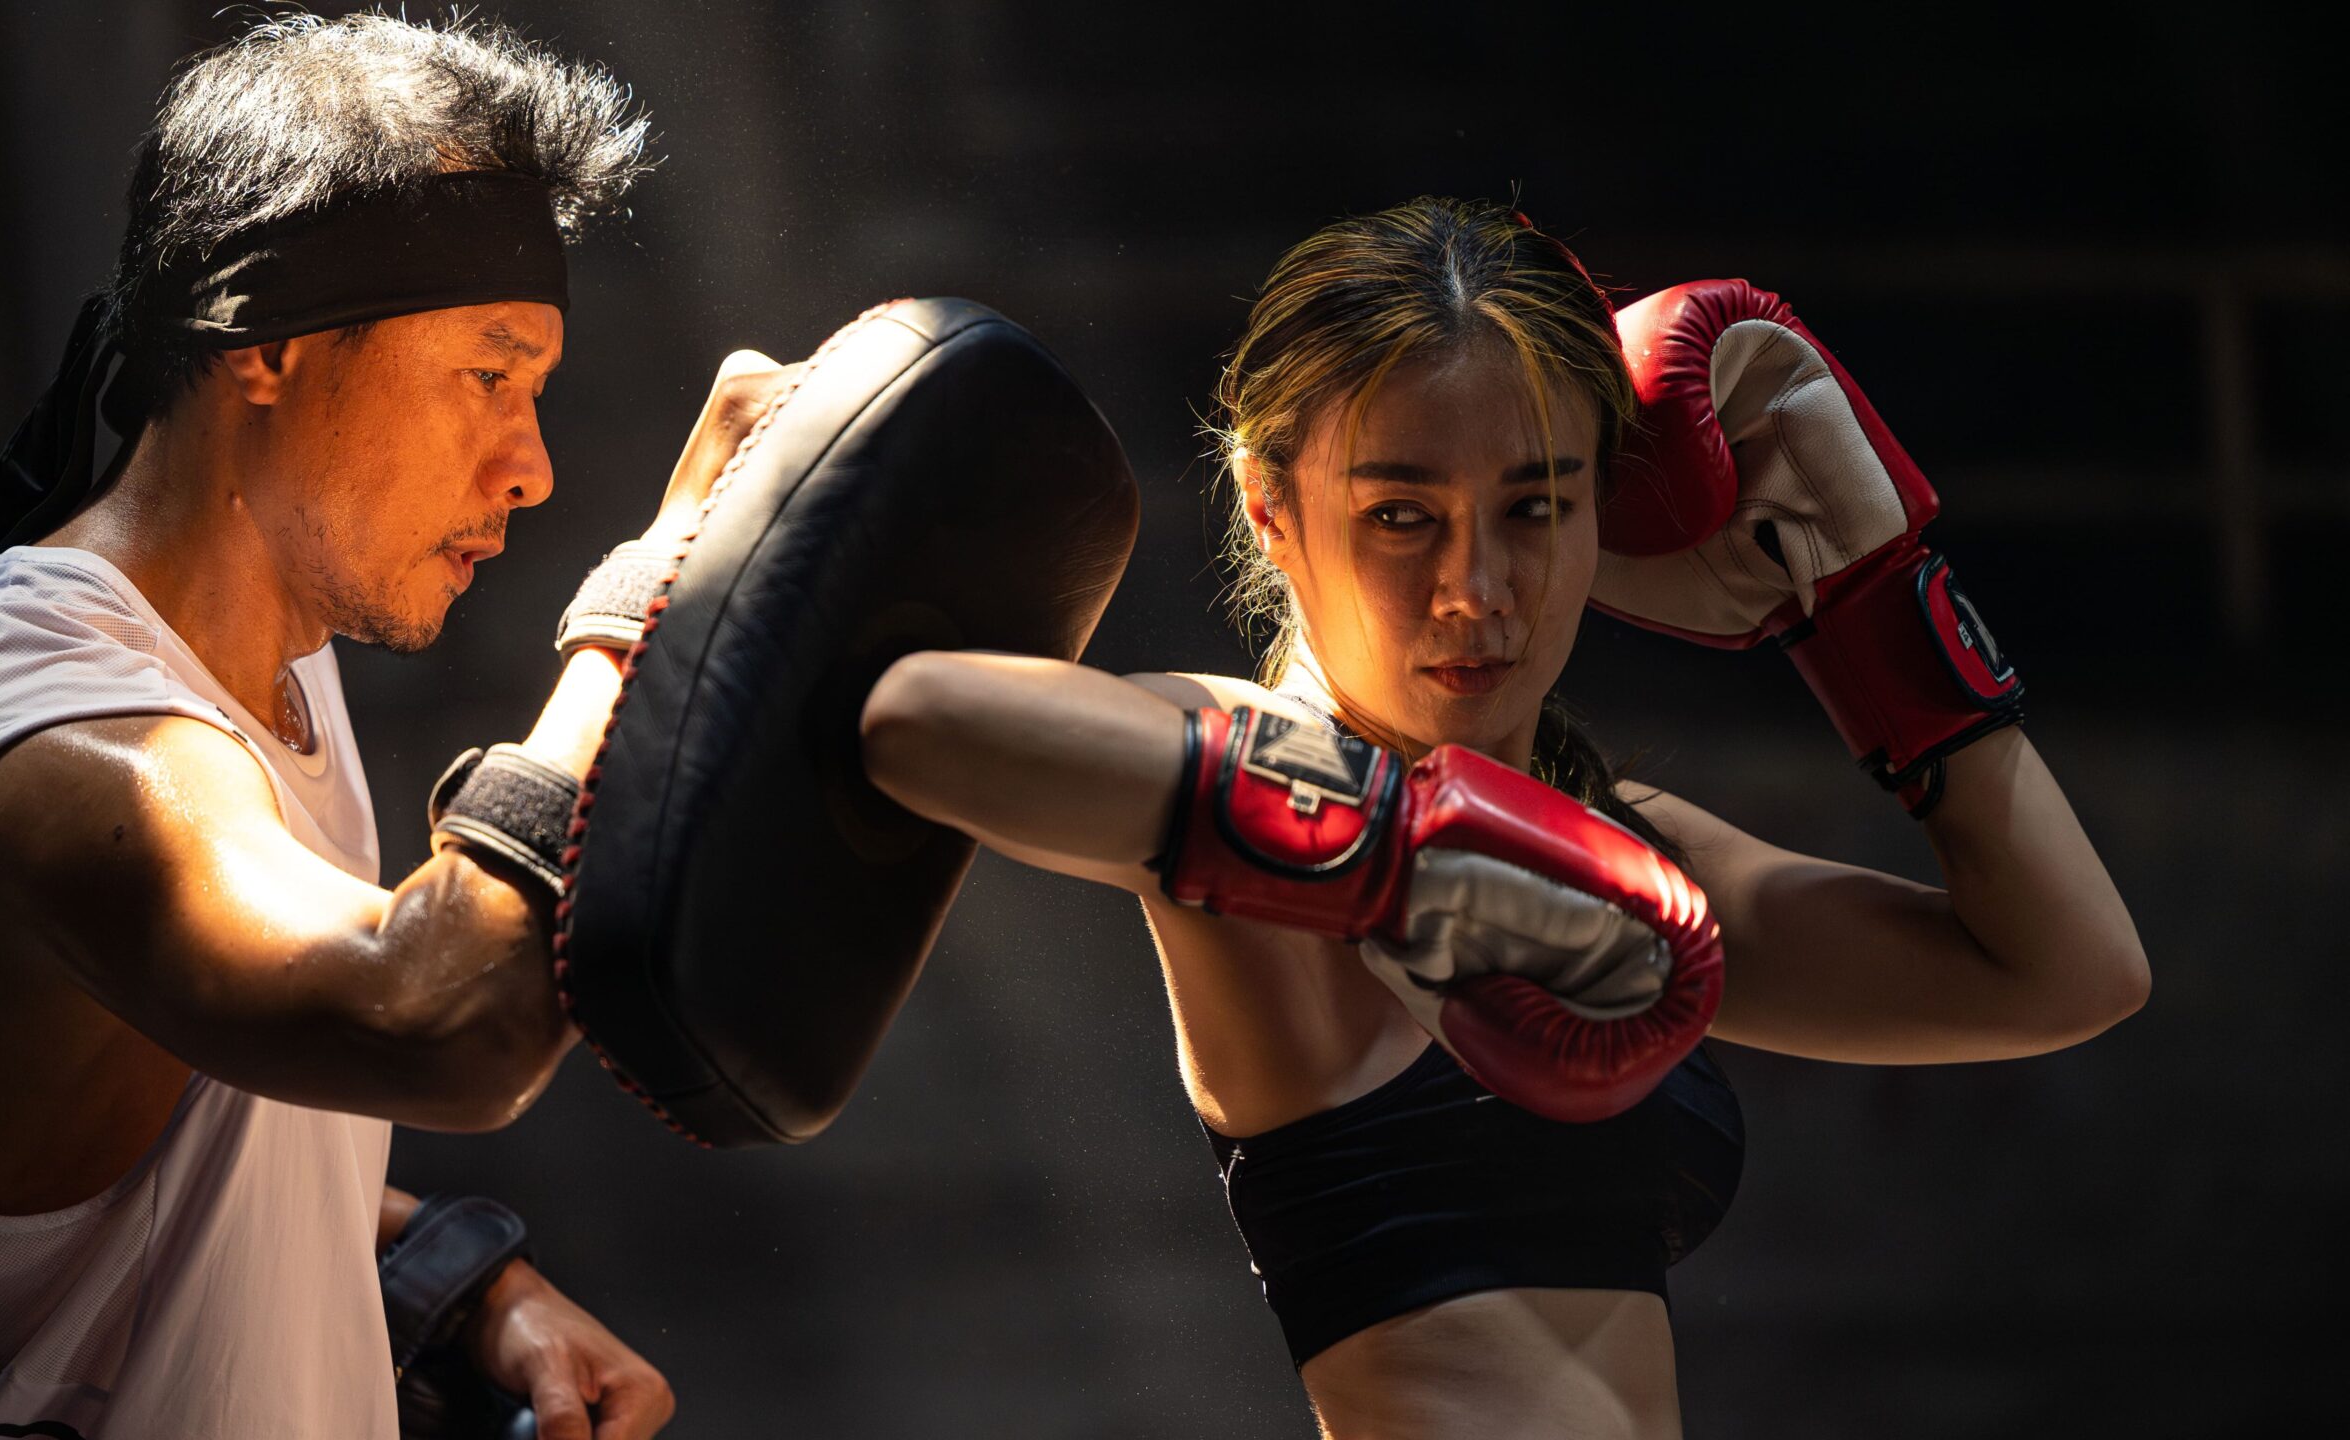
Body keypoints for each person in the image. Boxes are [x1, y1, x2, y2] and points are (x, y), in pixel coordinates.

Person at [857, 198, 2150, 1438]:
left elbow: (2064, 974)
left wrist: (1871, 597)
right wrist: (1396, 858)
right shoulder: (1274, 761)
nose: (1478, 590)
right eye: (1402, 517)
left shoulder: (1613, 847)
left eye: (1537, 508)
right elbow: (923, 719)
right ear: (1271, 508)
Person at [0, 14, 786, 1437]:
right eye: (486, 378)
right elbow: (446, 1021)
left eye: (540, 392)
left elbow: (172, 1119)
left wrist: (466, 1287)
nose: (534, 467)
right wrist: (658, 586)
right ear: (268, 349)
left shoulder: (258, 659)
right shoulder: (76, 752)